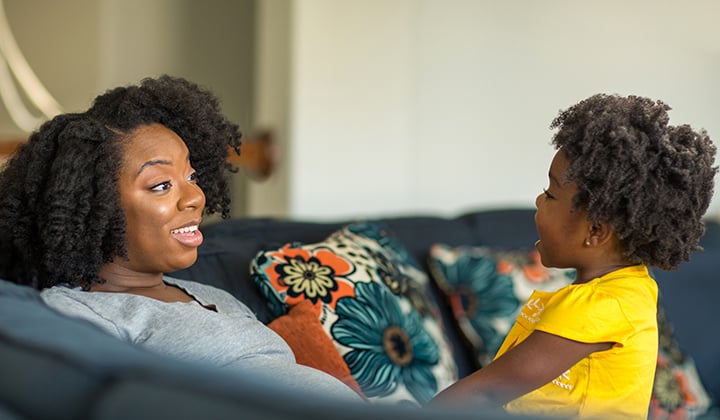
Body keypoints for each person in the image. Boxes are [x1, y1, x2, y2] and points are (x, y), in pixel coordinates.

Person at [0, 75, 362, 402]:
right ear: (93, 206)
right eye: (161, 185)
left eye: (191, 176)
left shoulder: (214, 297)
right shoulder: (79, 312)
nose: (195, 198)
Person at [430, 94, 718, 418]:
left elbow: (488, 391)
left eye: (551, 194)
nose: (539, 200)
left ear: (595, 231)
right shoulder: (629, 289)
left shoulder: (598, 309)